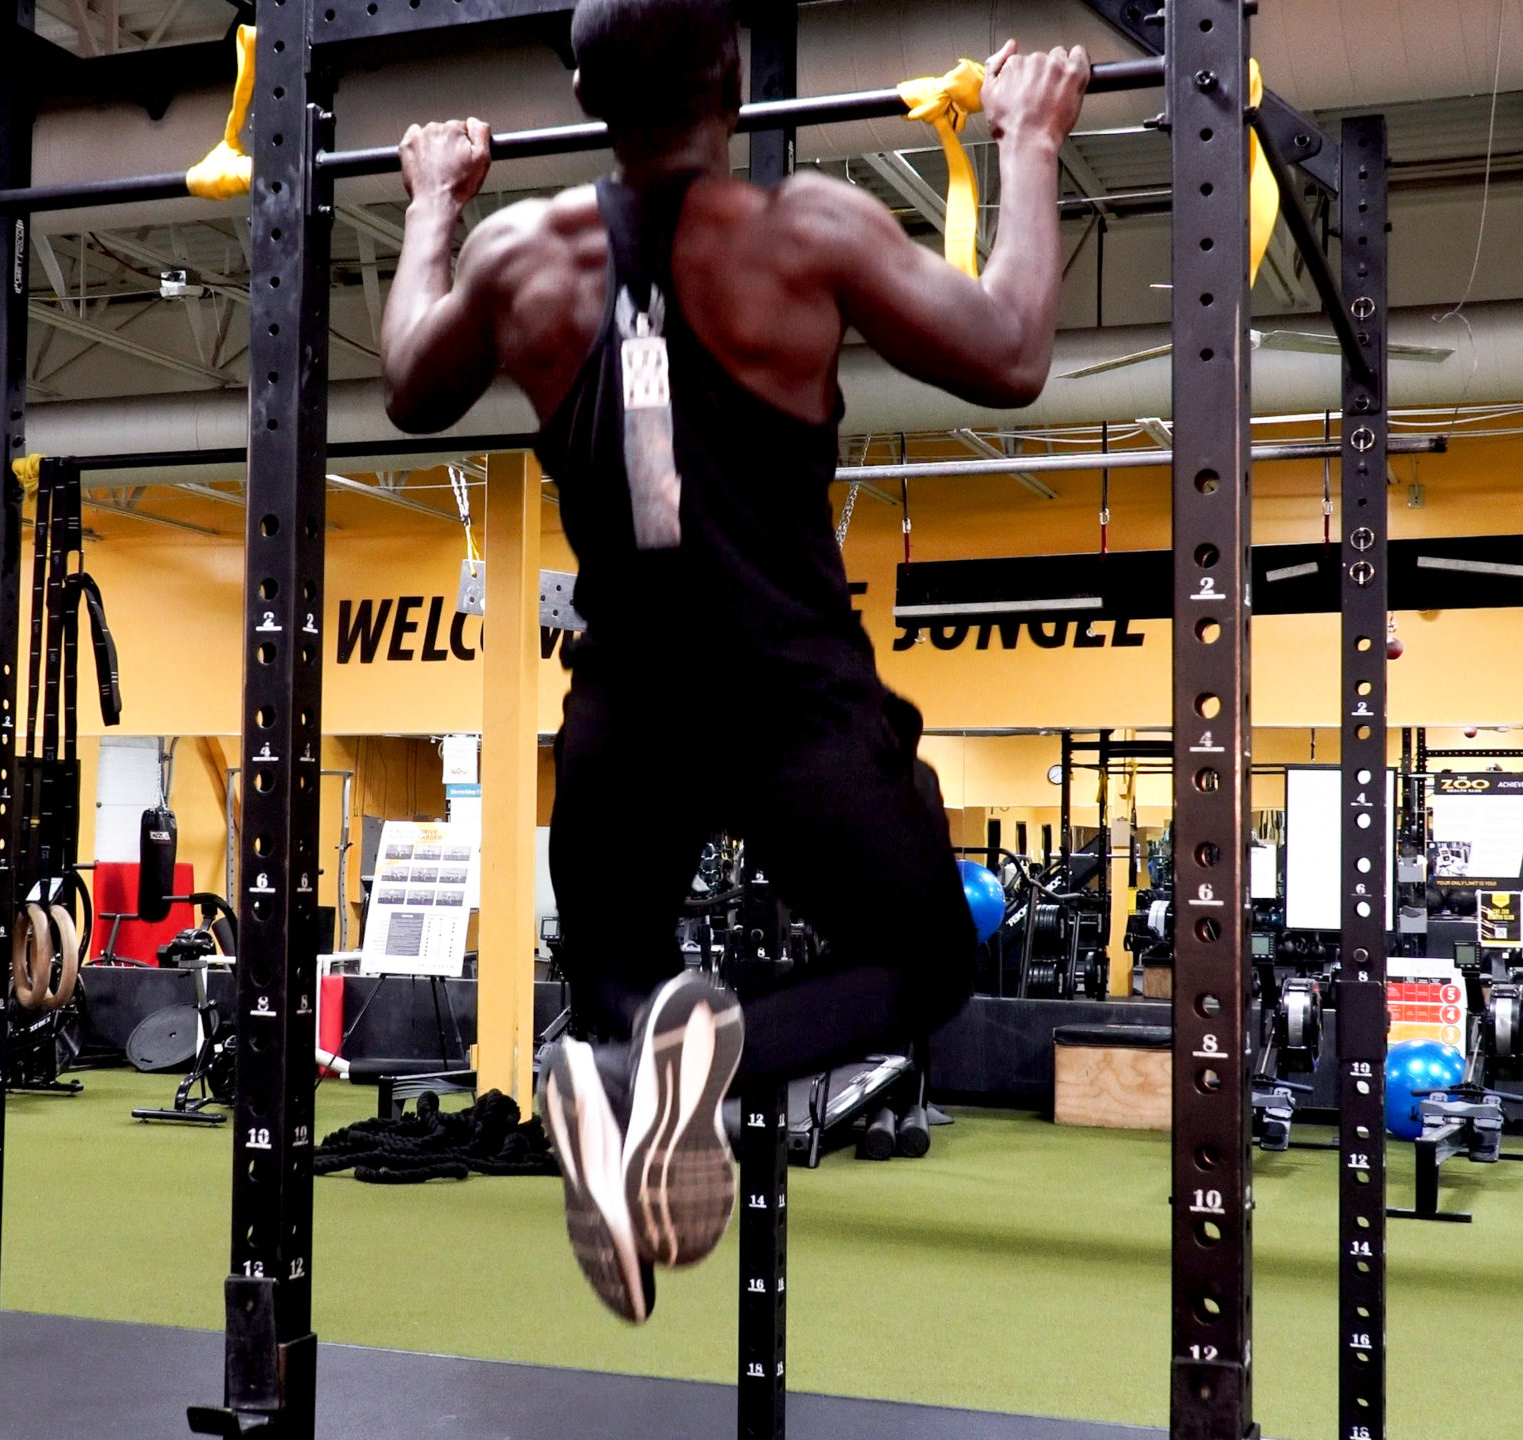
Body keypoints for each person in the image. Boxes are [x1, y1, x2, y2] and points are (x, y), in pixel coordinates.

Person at [379, 0, 1090, 1323]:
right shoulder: (801, 231)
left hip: (622, 715)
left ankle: (623, 1065)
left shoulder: (517, 257)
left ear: (585, 95)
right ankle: (692, 1069)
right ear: (733, 76)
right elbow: (1013, 350)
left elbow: (412, 381)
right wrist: (1028, 140)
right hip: (791, 703)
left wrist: (433, 200)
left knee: (607, 996)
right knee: (923, 961)